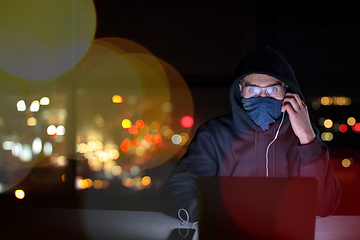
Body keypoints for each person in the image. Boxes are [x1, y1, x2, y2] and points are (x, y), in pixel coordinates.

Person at [160, 45, 341, 222]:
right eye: (253, 90)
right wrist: (216, 214)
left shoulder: (303, 136)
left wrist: (308, 140)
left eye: (272, 90)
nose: (262, 97)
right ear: (240, 89)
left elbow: (324, 206)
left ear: (286, 90)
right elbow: (177, 190)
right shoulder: (214, 135)